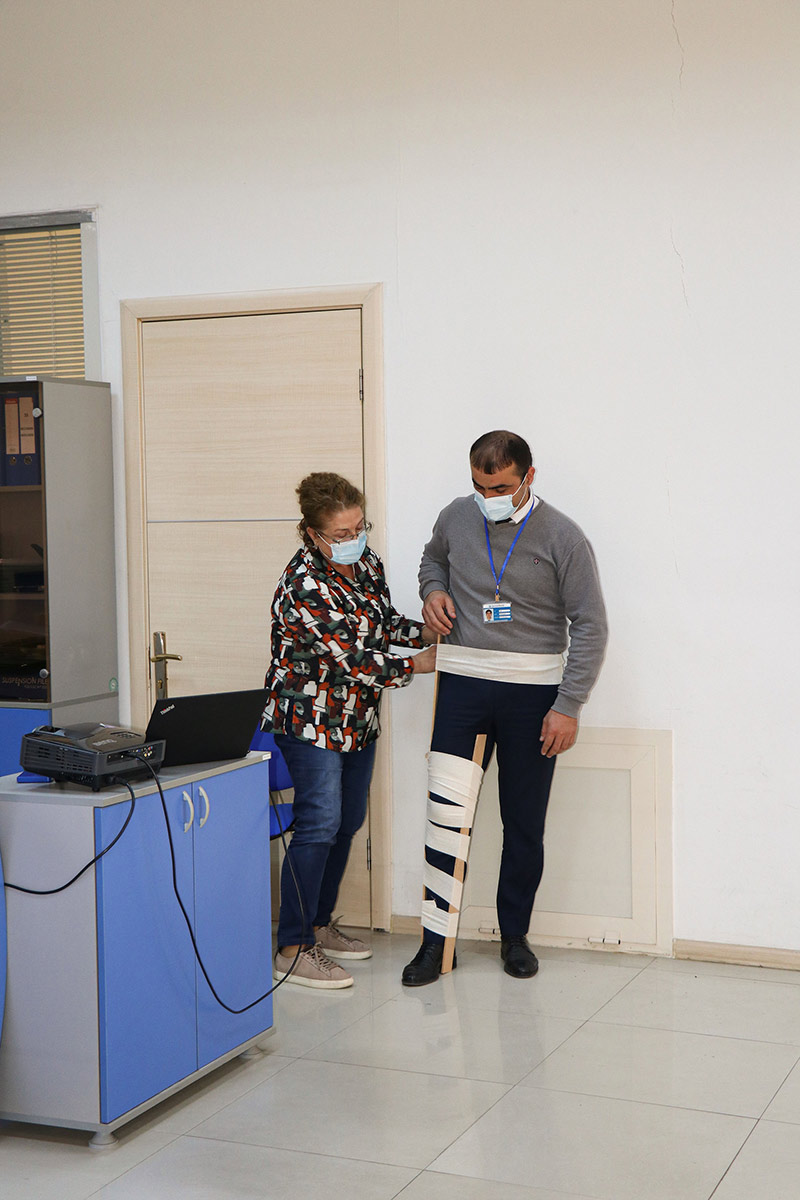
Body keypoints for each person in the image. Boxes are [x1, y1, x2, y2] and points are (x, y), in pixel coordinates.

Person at [402, 430, 608, 986]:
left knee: (522, 822)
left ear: (528, 477)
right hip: (462, 686)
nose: (488, 497)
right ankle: (434, 945)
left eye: (500, 487)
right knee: (446, 816)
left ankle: (514, 936)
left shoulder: (564, 536)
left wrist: (568, 705)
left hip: (533, 697)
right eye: (479, 486)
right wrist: (432, 591)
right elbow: (431, 560)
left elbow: (591, 625)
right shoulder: (456, 515)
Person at [263, 471, 436, 990]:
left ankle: (319, 924)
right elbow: (351, 658)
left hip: (358, 719)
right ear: (312, 533)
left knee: (346, 822)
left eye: (359, 528)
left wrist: (428, 631)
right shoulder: (302, 585)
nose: (353, 539)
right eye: (341, 534)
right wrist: (416, 664)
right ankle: (293, 948)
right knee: (319, 823)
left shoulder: (367, 565)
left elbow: (382, 624)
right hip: (310, 720)